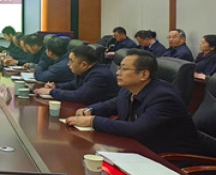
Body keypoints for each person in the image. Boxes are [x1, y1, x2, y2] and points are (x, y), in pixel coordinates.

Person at [65, 50, 202, 154]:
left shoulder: (164, 97)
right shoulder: (128, 90)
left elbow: (138, 130)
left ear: (144, 75)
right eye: (119, 68)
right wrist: (90, 110)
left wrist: (92, 121)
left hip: (168, 158)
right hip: (137, 149)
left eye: (124, 69)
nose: (118, 73)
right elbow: (113, 104)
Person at [34, 45, 119, 105]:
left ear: (84, 64)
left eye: (71, 61)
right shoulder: (87, 70)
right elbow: (74, 84)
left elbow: (79, 96)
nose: (68, 64)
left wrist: (51, 92)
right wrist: (56, 86)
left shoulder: (100, 75)